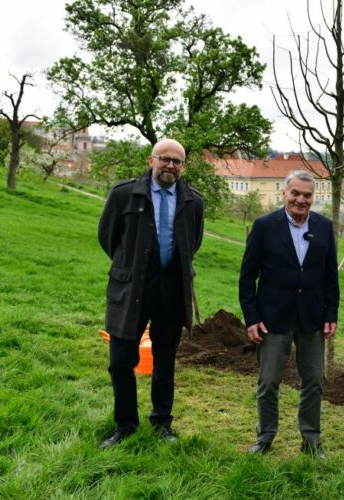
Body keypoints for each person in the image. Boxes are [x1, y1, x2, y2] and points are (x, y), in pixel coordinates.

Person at [97, 139, 204, 449]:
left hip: (171, 290)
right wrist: (130, 267)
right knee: (120, 360)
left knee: (165, 361)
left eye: (177, 161)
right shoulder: (124, 194)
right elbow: (108, 238)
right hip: (131, 289)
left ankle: (161, 423)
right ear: (151, 160)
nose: (171, 165)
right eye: (165, 159)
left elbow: (192, 243)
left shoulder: (193, 201)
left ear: (183, 167)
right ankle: (125, 425)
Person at [239, 170, 339, 459]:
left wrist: (330, 313)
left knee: (313, 382)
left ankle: (311, 440)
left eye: (307, 195)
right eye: (295, 193)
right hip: (272, 318)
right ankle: (265, 437)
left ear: (313, 197)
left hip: (312, 318)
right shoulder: (264, 226)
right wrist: (252, 317)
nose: (301, 199)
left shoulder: (323, 227)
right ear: (285, 193)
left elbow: (330, 277)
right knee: (268, 381)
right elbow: (247, 278)